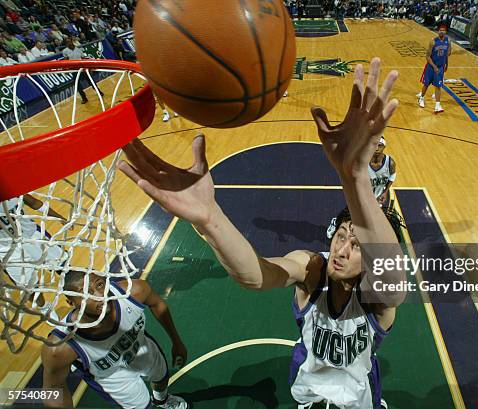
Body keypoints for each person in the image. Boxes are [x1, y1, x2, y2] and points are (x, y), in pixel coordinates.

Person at [118, 58, 406, 409]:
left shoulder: (376, 298)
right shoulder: (313, 270)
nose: (342, 249)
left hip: (359, 395)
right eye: (341, 236)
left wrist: (355, 177)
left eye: (357, 245)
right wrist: (209, 219)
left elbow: (391, 275)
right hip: (309, 387)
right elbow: (255, 276)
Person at [41, 272, 188, 409]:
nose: (100, 296)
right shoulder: (61, 347)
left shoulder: (134, 291)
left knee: (161, 376)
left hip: (140, 348)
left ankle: (162, 400)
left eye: (99, 285)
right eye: (86, 294)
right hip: (111, 376)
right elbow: (53, 389)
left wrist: (177, 341)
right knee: (142, 406)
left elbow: (157, 304)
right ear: (72, 303)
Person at [1, 194, 66, 319]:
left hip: (31, 234)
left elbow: (34, 202)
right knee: (28, 285)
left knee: (62, 265)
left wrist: (57, 216)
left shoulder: (9, 187)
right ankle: (43, 307)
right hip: (7, 249)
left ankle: (80, 291)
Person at [417, 24, 450, 114]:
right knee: (426, 84)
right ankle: (421, 98)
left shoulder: (448, 41)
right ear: (438, 31)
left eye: (443, 30)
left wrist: (447, 64)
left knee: (438, 86)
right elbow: (427, 56)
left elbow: (446, 54)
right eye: (440, 30)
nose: (441, 31)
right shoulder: (433, 42)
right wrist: (434, 66)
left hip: (440, 67)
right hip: (431, 67)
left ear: (446, 32)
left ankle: (437, 105)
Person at [62, 37, 104, 104]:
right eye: (67, 42)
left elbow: (83, 58)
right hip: (74, 70)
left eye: (70, 41)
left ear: (72, 41)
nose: (69, 43)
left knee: (91, 81)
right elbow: (66, 61)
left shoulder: (78, 49)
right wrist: (66, 70)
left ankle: (99, 92)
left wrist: (88, 67)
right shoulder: (65, 51)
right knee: (78, 86)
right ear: (66, 44)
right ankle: (84, 98)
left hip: (82, 69)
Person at [369, 136, 396, 207]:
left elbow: (393, 175)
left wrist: (385, 191)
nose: (377, 149)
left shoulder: (390, 163)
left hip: (378, 198)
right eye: (374, 145)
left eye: (380, 146)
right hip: (363, 197)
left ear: (384, 147)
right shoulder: (363, 162)